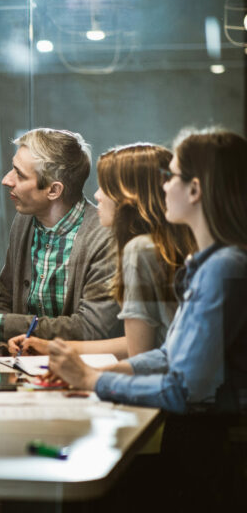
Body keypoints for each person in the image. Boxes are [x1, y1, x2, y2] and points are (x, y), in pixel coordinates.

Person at [46, 128, 247, 507]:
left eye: (172, 176)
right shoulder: (208, 263)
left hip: (214, 447)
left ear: (195, 190)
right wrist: (93, 372)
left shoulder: (224, 267)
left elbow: (180, 389)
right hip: (201, 438)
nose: (164, 185)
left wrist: (92, 380)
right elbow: (169, 355)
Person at [0, 128, 121, 357]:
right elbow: (4, 298)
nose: (6, 180)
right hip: (24, 369)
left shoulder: (104, 237)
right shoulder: (24, 221)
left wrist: (0, 325)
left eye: (19, 174)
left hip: (76, 371)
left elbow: (90, 327)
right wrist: (1, 345)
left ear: (53, 190)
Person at [8, 144, 196, 358]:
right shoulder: (165, 247)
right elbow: (142, 344)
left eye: (106, 187)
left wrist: (85, 375)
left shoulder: (139, 250)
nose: (97, 195)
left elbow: (139, 358)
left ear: (130, 196)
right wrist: (50, 347)